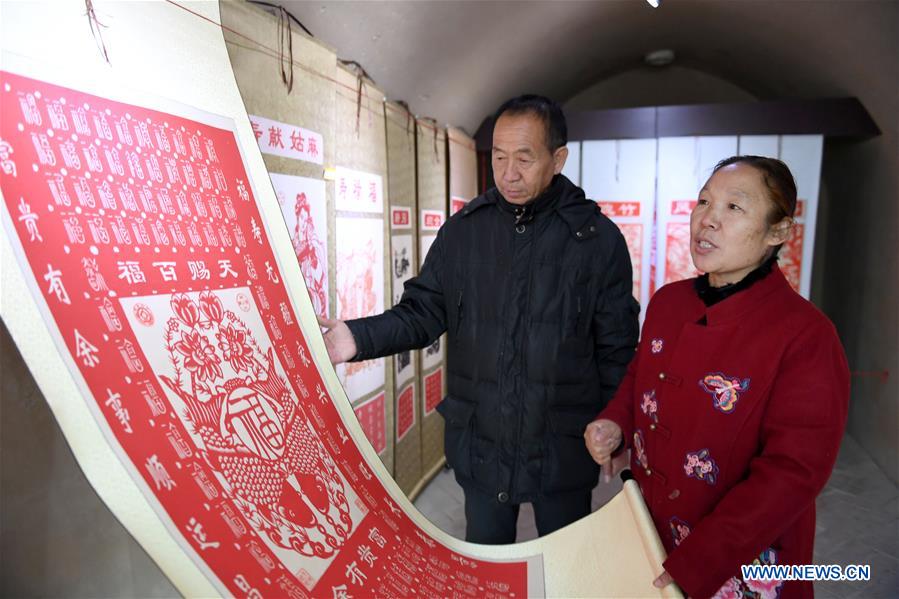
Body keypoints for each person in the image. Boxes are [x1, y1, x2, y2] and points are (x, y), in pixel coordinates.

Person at [319, 95, 639, 544]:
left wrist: (616, 422)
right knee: (486, 572)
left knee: (566, 567)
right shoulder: (465, 231)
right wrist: (355, 337)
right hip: (482, 441)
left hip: (563, 446)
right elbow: (423, 312)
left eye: (524, 159)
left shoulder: (596, 242)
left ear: (558, 158)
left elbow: (618, 350)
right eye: (501, 157)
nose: (509, 173)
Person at [585, 156, 849, 598]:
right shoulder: (669, 302)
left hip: (736, 560)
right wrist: (616, 422)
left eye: (734, 207)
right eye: (704, 201)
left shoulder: (806, 335)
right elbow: (641, 375)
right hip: (652, 533)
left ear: (778, 232)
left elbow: (792, 473)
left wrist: (702, 558)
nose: (707, 219)